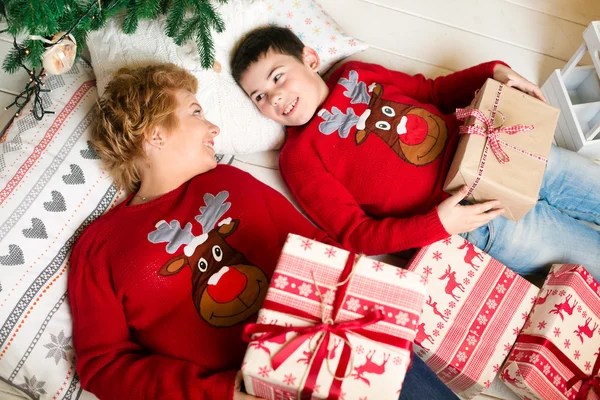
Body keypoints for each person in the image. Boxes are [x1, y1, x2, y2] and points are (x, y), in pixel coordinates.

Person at [68, 63, 458, 400]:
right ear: (155, 133)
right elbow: (103, 366)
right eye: (195, 112)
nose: (213, 127)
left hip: (344, 358)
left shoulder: (230, 180)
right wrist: (220, 394)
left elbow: (319, 248)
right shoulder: (99, 247)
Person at [231, 26, 600, 279]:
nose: (274, 97)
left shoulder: (355, 74)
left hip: (497, 146)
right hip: (476, 219)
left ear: (310, 59)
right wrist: (439, 225)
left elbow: (433, 93)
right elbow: (356, 234)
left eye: (278, 77)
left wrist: (494, 73)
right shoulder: (299, 158)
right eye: (258, 96)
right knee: (584, 253)